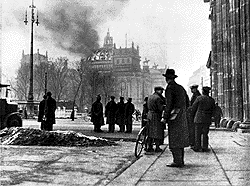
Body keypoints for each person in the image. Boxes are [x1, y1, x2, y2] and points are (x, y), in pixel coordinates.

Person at [161, 69, 189, 168]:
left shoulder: (169, 88)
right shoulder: (180, 88)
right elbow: (187, 101)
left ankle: (177, 161)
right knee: (180, 138)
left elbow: (169, 104)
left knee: (173, 138)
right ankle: (180, 160)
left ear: (166, 79)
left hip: (174, 117)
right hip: (182, 115)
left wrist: (165, 117)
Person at [191, 86, 216, 152]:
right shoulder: (211, 100)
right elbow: (214, 110)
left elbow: (193, 107)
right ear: (208, 92)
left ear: (203, 91)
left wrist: (192, 115)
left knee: (197, 133)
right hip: (207, 119)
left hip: (198, 118)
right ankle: (205, 147)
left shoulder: (199, 98)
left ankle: (197, 147)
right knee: (205, 133)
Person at [146, 86, 165, 153]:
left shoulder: (150, 97)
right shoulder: (158, 98)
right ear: (157, 90)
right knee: (157, 131)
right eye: (161, 90)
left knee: (150, 131)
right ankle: (157, 147)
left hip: (149, 115)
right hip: (156, 116)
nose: (162, 92)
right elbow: (160, 108)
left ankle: (149, 147)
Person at [187, 84, 201, 149]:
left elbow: (194, 106)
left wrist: (189, 109)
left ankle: (194, 143)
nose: (192, 90)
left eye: (192, 89)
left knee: (193, 130)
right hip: (194, 114)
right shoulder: (196, 95)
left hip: (194, 115)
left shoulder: (197, 96)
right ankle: (193, 143)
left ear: (195, 89)